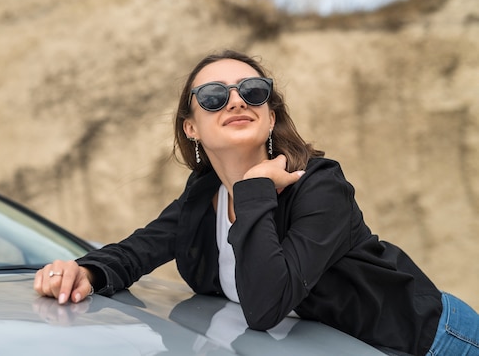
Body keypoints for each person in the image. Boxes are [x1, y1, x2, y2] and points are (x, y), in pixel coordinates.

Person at [34, 50, 479, 355]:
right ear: (191, 127)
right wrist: (86, 271)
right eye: (212, 97)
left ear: (269, 115)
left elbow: (266, 304)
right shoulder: (202, 198)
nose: (234, 101)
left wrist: (254, 189)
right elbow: (136, 251)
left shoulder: (319, 185)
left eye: (252, 91)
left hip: (434, 340)